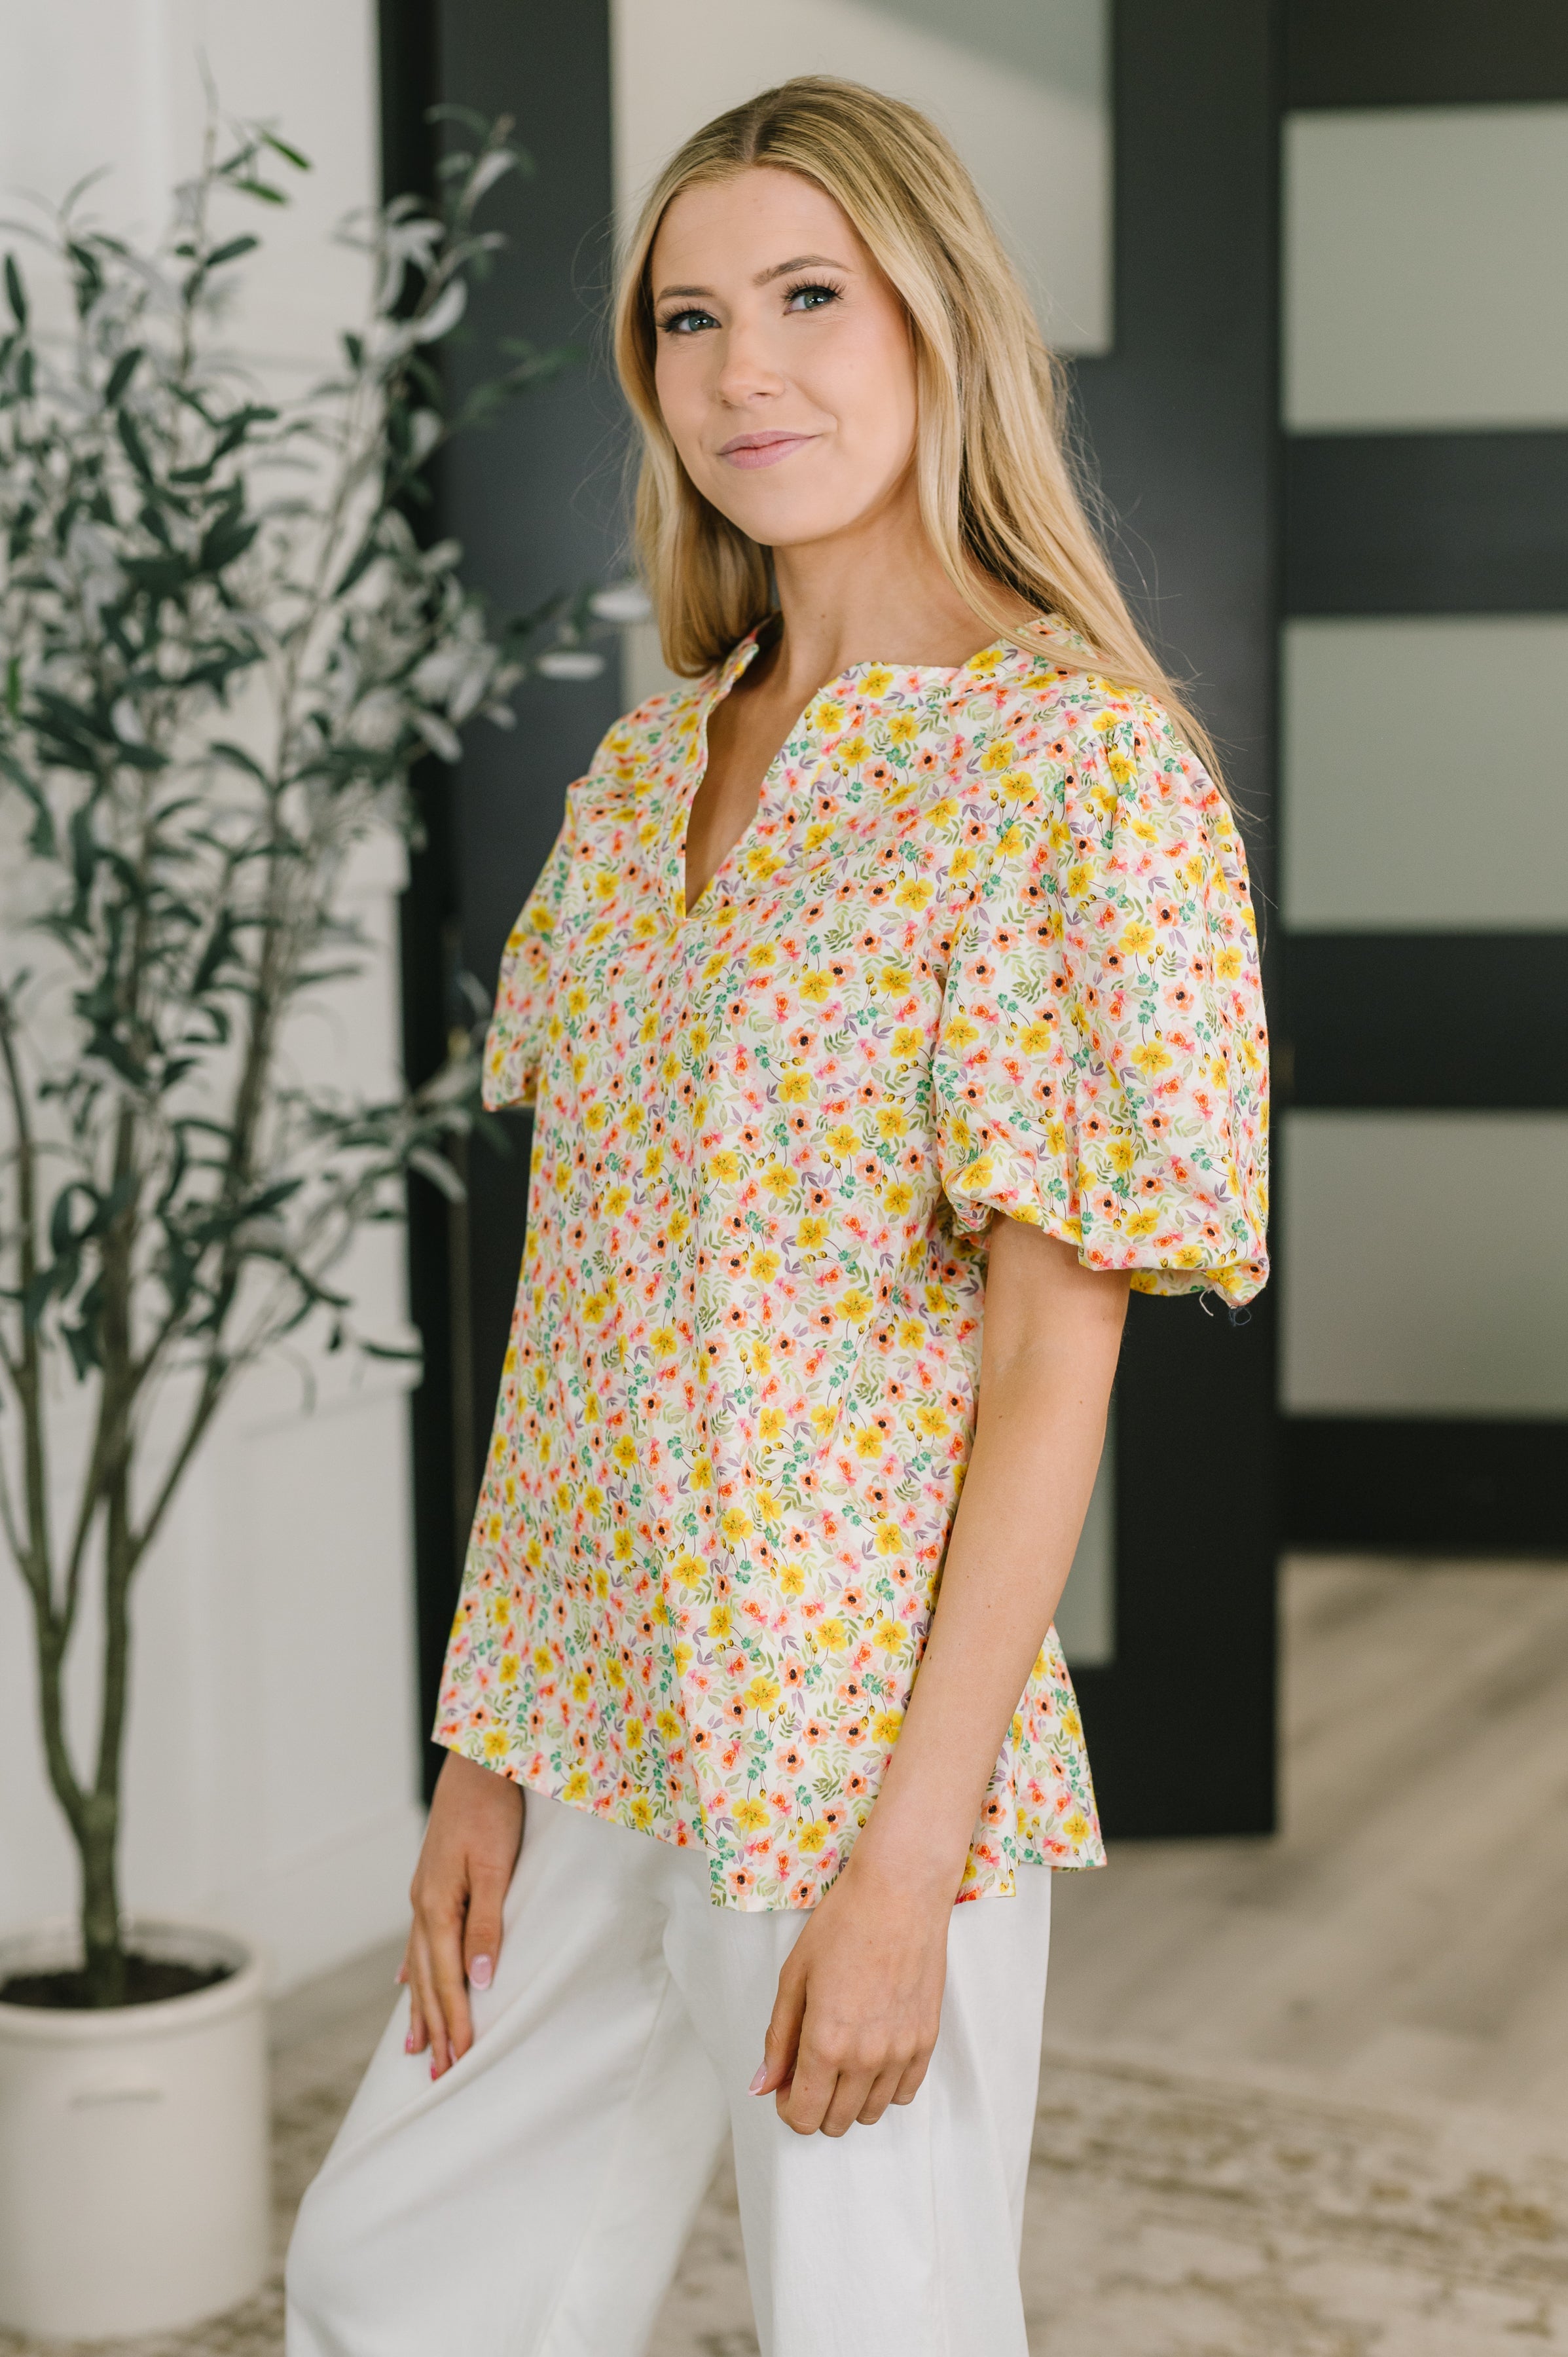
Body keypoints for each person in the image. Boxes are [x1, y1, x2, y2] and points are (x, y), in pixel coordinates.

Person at [286, 73, 1268, 2357]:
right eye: (691, 316)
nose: (748, 370)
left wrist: (907, 1862)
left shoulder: (1075, 766)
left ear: (939, 319)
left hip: (855, 1745)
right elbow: (575, 1311)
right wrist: (477, 1762)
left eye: (810, 297)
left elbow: (1055, 1357)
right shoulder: (647, 776)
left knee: (877, 2324)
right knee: (395, 2276)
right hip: (594, 1698)